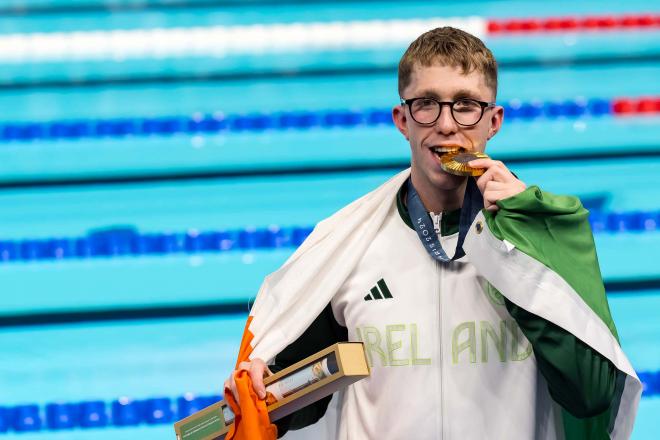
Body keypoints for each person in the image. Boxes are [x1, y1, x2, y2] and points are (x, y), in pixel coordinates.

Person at [223, 27, 640, 440]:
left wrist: (518, 245)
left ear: (493, 121)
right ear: (402, 120)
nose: (446, 124)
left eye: (465, 105)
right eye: (426, 104)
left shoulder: (540, 237)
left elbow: (592, 394)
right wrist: (266, 385)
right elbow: (295, 400)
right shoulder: (347, 245)